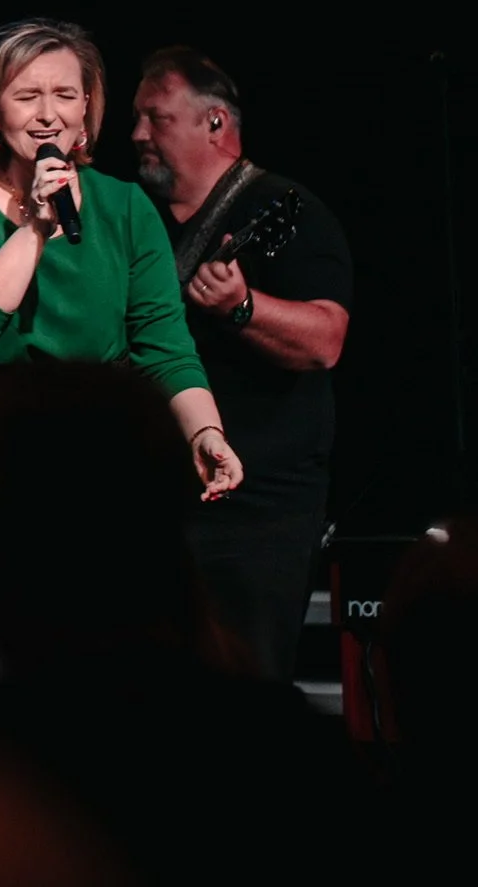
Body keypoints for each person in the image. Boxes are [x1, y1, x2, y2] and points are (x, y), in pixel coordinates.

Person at [0, 19, 243, 562]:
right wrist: (35, 229)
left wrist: (205, 431)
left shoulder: (126, 209)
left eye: (65, 94)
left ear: (86, 108)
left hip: (90, 467)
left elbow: (165, 348)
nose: (47, 114)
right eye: (26, 96)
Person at [131, 46, 352, 680]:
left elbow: (326, 340)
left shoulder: (288, 209)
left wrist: (243, 307)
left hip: (256, 511)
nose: (137, 134)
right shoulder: (136, 220)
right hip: (152, 499)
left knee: (243, 691)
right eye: (136, 118)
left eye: (156, 117)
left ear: (215, 123)